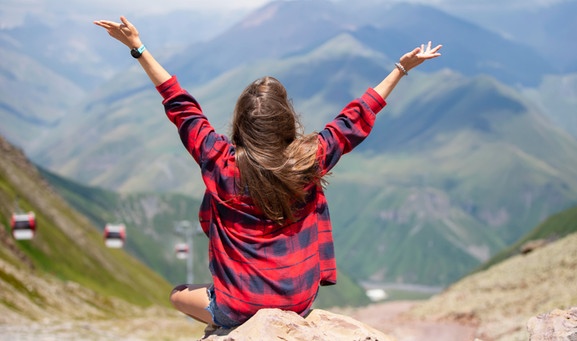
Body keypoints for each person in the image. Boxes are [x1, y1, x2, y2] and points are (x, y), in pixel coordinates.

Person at [94, 16, 442, 329]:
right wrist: (400, 68)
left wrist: (138, 48)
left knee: (177, 293)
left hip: (237, 308)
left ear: (242, 123)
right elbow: (355, 119)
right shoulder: (309, 159)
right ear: (286, 121)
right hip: (298, 303)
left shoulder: (218, 159)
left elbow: (181, 105)